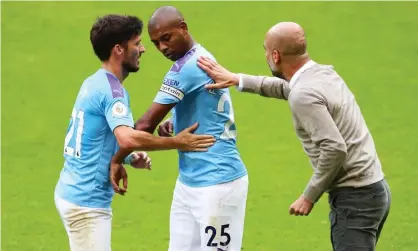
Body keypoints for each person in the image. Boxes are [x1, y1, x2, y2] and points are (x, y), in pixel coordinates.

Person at [194, 22, 392, 251]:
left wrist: (308, 196)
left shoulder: (304, 94)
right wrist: (238, 79)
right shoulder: (322, 73)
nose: (266, 55)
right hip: (374, 189)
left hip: (355, 198)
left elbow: (334, 149)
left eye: (266, 50)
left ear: (275, 55)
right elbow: (286, 89)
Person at [54, 14, 215, 251]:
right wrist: (176, 142)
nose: (143, 49)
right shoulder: (112, 91)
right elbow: (127, 136)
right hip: (86, 203)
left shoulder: (93, 82)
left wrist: (128, 157)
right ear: (119, 49)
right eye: (137, 43)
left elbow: (95, 137)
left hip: (71, 189)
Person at [110, 6, 248, 251]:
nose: (162, 48)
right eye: (155, 43)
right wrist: (177, 122)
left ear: (183, 28)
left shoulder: (187, 67)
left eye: (166, 38)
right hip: (188, 182)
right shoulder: (199, 56)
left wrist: (118, 158)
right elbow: (207, 104)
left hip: (218, 184)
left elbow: (144, 126)